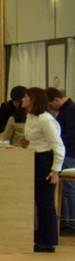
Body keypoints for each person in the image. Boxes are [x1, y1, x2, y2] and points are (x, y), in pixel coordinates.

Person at [0, 87, 64, 252]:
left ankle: (48, 241)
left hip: (45, 161)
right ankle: (40, 237)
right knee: (38, 201)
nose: (23, 100)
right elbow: (36, 140)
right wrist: (26, 143)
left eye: (26, 97)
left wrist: (55, 170)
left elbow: (58, 145)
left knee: (45, 201)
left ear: (34, 100)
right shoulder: (29, 117)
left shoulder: (45, 119)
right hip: (33, 158)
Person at [46, 87, 75, 231]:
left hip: (69, 153)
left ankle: (71, 222)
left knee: (69, 189)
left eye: (50, 105)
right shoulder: (68, 110)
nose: (50, 108)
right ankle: (68, 220)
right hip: (68, 152)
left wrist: (56, 141)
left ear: (56, 100)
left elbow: (72, 134)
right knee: (68, 189)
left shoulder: (69, 111)